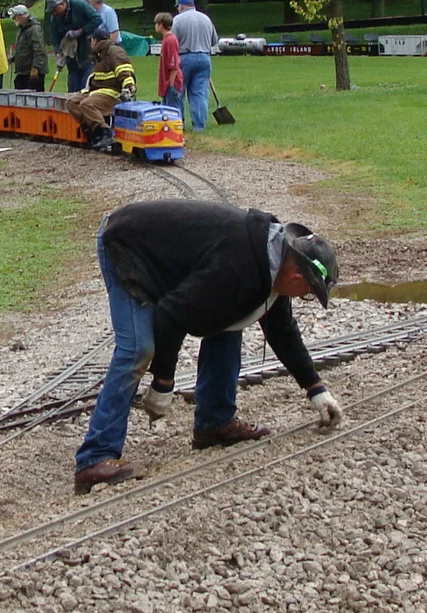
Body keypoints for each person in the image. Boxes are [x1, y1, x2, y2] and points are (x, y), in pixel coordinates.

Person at [74, 200, 344, 494]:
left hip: (166, 253)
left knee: (233, 318)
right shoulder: (239, 266)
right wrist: (163, 382)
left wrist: (315, 388)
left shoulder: (273, 263)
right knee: (137, 349)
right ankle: (95, 457)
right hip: (127, 245)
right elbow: (170, 315)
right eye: (307, 292)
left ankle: (215, 423)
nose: (302, 296)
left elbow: (281, 331)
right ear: (296, 277)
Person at [63, 42, 139, 148]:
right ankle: (92, 132)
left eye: (91, 41)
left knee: (87, 104)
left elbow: (124, 71)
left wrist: (129, 85)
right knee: (72, 103)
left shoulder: (114, 52)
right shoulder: (100, 55)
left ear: (95, 41)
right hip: (98, 92)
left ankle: (105, 134)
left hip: (113, 95)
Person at [169, 0, 219, 131]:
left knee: (178, 92)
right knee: (200, 93)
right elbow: (214, 40)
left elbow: (172, 42)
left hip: (184, 57)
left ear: (182, 6)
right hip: (204, 58)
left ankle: (179, 125)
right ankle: (199, 126)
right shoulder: (206, 19)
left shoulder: (177, 20)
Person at [45, 0, 102, 92]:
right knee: (73, 89)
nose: (54, 13)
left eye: (55, 9)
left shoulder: (79, 5)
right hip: (71, 60)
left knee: (87, 88)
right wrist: (58, 53)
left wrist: (81, 31)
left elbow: (97, 19)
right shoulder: (55, 19)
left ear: (62, 4)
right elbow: (55, 38)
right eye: (52, 11)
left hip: (87, 53)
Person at [9, 4, 48, 90]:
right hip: (24, 71)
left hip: (32, 72)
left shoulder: (34, 29)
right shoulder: (23, 29)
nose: (14, 19)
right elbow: (24, 48)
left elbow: (39, 50)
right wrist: (14, 58)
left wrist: (35, 68)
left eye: (15, 17)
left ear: (22, 16)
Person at [152, 11, 184, 110]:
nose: (155, 26)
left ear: (161, 25)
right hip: (167, 82)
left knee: (172, 110)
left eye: (156, 24)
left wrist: (170, 83)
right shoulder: (166, 40)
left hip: (172, 82)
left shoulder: (170, 41)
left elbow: (174, 64)